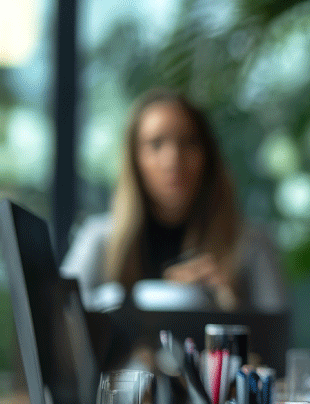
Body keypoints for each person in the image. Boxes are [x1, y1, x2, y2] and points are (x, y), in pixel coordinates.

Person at [62, 88, 286, 313]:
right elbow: (59, 320)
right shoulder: (99, 241)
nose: (173, 160)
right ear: (134, 159)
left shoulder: (251, 246)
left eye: (188, 143)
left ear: (207, 156)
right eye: (156, 144)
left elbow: (278, 338)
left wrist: (228, 304)